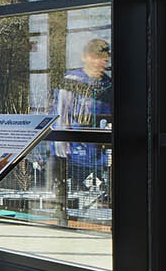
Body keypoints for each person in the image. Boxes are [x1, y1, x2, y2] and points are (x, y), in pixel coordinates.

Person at [54, 38, 112, 205]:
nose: (100, 63)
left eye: (104, 59)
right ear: (85, 57)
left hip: (99, 154)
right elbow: (61, 115)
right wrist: (62, 151)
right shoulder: (72, 81)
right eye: (96, 58)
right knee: (72, 197)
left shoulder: (107, 84)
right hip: (72, 153)